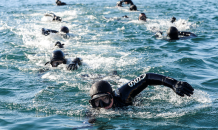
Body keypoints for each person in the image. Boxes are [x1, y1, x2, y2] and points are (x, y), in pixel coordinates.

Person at [89, 73, 194, 109]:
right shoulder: (94, 111)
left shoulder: (124, 94)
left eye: (105, 99)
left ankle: (113, 75)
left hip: (134, 95)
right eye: (97, 101)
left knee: (115, 78)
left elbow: (146, 77)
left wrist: (173, 83)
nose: (102, 105)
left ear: (112, 96)